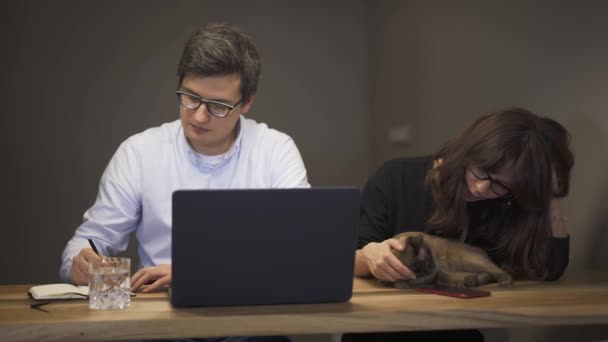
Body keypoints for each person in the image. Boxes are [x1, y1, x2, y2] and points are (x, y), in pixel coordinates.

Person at [60, 23, 310, 294]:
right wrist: (81, 259)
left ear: (247, 102)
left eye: (218, 106)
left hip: (251, 316)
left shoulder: (275, 150)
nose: (199, 116)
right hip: (160, 317)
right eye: (190, 97)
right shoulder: (140, 152)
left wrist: (190, 274)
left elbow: (299, 250)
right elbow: (93, 238)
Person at [347, 107, 574, 342]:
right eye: (482, 171)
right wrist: (369, 256)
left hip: (455, 332)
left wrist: (552, 196)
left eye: (501, 185)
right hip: (379, 331)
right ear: (467, 152)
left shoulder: (507, 202)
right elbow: (346, 261)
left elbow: (551, 268)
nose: (480, 189)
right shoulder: (396, 177)